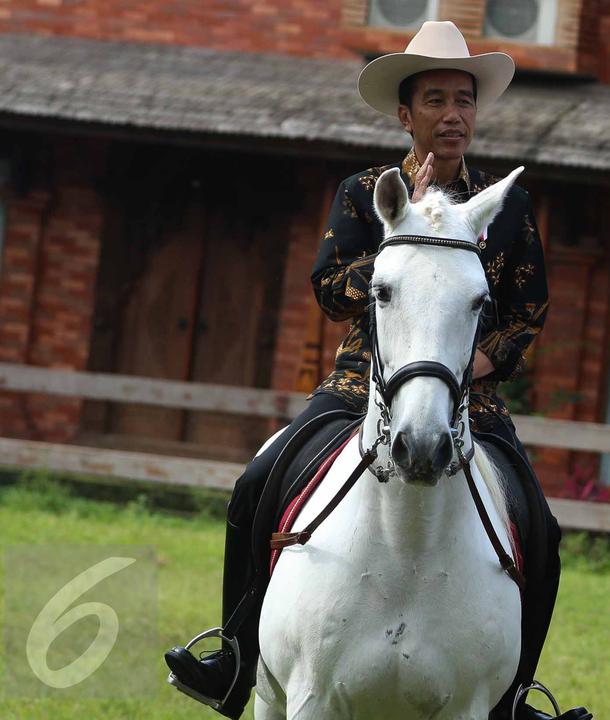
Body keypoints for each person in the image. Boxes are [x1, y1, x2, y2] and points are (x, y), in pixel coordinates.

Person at [164, 22, 585, 720]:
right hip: (361, 383)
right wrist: (402, 242)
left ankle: (515, 696)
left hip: (467, 396)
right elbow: (330, 286)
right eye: (437, 100)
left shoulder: (505, 207)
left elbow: (528, 310)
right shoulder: (364, 192)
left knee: (540, 525)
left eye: (465, 101)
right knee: (256, 483)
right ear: (405, 113)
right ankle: (235, 655)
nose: (454, 114)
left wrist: (479, 362)